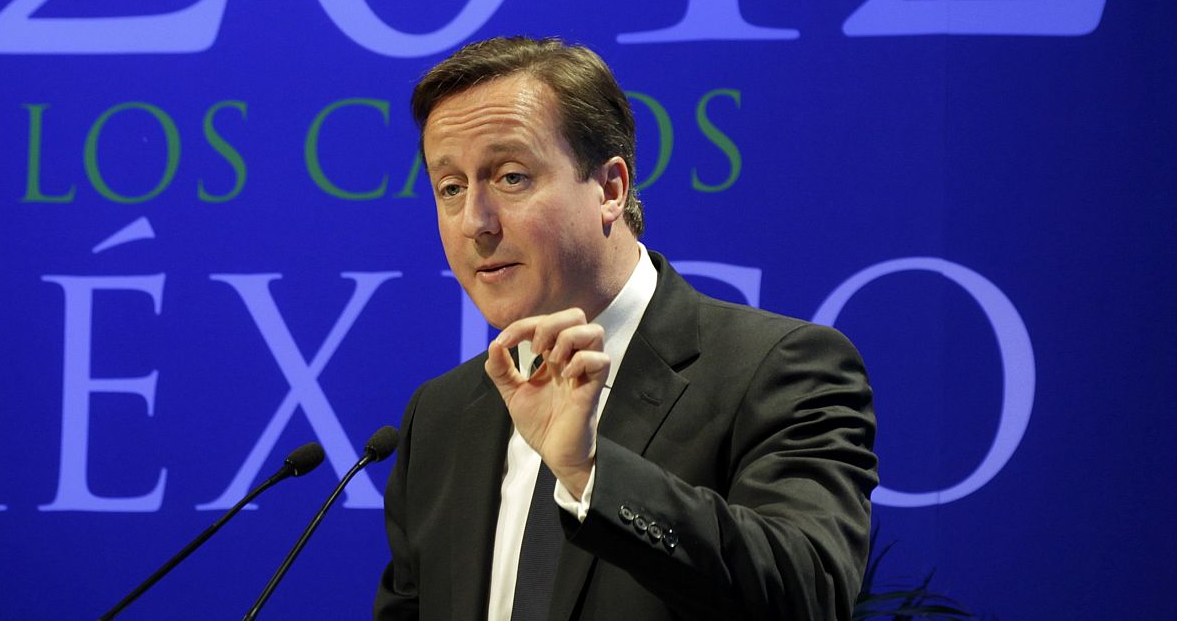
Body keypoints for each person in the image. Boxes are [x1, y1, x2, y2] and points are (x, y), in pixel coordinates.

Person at [374, 37, 877, 621]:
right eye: (451, 188)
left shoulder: (781, 370)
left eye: (510, 177)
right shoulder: (440, 416)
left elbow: (806, 590)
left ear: (610, 189)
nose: (475, 223)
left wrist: (590, 473)